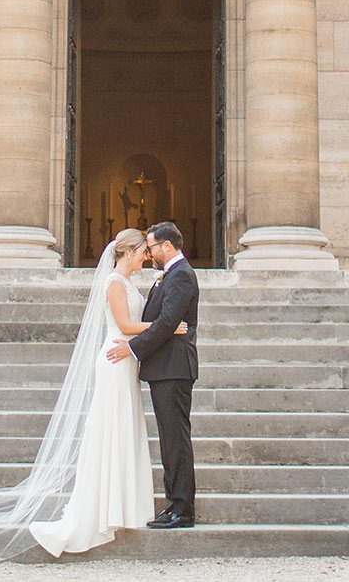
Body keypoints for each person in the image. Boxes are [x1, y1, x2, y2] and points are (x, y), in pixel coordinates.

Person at [0, 227, 186, 560]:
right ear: (127, 252)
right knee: (111, 430)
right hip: (115, 358)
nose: (146, 257)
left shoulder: (127, 283)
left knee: (122, 430)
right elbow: (123, 325)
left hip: (126, 360)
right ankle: (102, 509)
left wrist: (154, 331)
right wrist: (167, 327)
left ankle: (120, 507)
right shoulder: (113, 283)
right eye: (142, 252)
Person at [107, 221, 200, 528]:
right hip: (164, 367)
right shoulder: (170, 275)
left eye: (152, 247)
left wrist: (132, 349)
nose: (149, 253)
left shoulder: (181, 276)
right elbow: (159, 323)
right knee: (170, 438)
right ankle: (175, 505)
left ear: (167, 246)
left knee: (175, 440)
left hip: (173, 368)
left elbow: (167, 322)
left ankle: (181, 510)